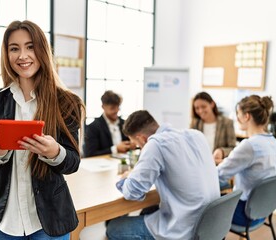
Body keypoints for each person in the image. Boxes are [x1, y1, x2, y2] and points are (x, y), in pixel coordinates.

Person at [0, 20, 85, 240]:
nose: (22, 55)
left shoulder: (67, 102)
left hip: (49, 219)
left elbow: (73, 162)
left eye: (30, 46)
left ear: (42, 50)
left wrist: (55, 152)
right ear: (7, 54)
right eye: (14, 48)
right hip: (3, 221)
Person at [106, 110, 220, 240]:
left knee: (113, 227)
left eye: (138, 145)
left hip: (184, 229)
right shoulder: (196, 135)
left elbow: (134, 192)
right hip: (210, 225)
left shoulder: (155, 144)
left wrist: (126, 178)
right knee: (148, 211)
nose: (140, 147)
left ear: (142, 139)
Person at [218, 95, 276, 227]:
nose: (237, 118)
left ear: (247, 116)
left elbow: (220, 175)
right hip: (262, 211)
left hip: (245, 214)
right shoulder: (272, 141)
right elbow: (253, 165)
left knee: (205, 210)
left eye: (238, 114)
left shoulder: (249, 145)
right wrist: (226, 161)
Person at [83, 90, 135, 157]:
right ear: (103, 107)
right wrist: (115, 149)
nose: (116, 111)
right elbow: (90, 153)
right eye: (112, 108)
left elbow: (130, 144)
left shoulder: (124, 124)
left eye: (118, 107)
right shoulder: (93, 127)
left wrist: (132, 144)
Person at [191, 91, 236, 165]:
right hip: (199, 165)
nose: (200, 111)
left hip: (218, 167)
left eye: (203, 107)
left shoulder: (227, 123)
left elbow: (233, 148)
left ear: (212, 104)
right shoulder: (195, 124)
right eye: (197, 108)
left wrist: (221, 151)